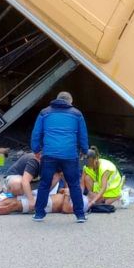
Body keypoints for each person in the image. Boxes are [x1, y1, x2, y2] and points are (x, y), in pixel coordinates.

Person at [30, 91, 89, 223]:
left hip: (49, 154)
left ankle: (39, 214)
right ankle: (80, 215)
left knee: (45, 184)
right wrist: (84, 150)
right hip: (69, 155)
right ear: (70, 102)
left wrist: (36, 149)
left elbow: (36, 133)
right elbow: (82, 135)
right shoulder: (77, 114)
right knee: (74, 184)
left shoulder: (44, 112)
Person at [0, 186, 88, 217]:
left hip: (48, 205)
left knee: (14, 205)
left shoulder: (83, 204)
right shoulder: (80, 194)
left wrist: (67, 195)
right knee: (10, 200)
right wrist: (64, 191)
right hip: (44, 197)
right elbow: (60, 191)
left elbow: (66, 209)